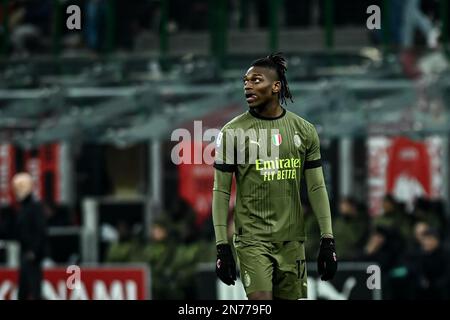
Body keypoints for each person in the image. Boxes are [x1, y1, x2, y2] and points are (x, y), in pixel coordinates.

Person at [211, 53, 337, 300]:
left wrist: (328, 239)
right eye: (245, 81)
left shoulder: (304, 130)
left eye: (256, 80)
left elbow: (316, 187)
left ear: (276, 86)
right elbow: (221, 191)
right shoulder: (232, 132)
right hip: (252, 241)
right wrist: (221, 246)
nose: (247, 85)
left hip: (292, 241)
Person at [11, 172, 47, 300]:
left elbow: (40, 231)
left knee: (34, 289)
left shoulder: (34, 207)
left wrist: (34, 251)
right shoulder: (23, 208)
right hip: (25, 253)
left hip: (32, 256)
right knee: (23, 290)